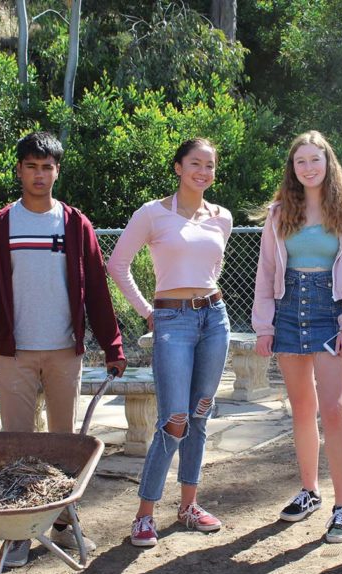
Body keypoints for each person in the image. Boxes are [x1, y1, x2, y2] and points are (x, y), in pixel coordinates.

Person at [0, 131, 127, 567]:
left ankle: (64, 527)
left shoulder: (73, 224)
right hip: (16, 353)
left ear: (57, 171)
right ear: (19, 171)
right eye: (31, 166)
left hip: (65, 351)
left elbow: (97, 292)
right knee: (18, 448)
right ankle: (19, 536)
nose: (39, 174)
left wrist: (112, 344)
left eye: (47, 167)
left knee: (65, 445)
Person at [107, 138, 233, 548]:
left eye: (210, 166)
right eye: (195, 163)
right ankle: (144, 515)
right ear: (178, 167)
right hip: (171, 322)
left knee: (200, 413)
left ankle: (188, 506)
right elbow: (117, 265)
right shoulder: (152, 213)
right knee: (173, 419)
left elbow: (211, 269)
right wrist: (149, 311)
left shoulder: (222, 217)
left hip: (214, 319)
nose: (203, 172)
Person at [252, 131, 342, 543]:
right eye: (300, 161)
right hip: (288, 315)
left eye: (315, 160)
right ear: (293, 167)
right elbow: (267, 272)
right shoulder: (278, 213)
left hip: (330, 315)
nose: (308, 167)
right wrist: (265, 325)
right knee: (302, 410)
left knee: (335, 410)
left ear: (328, 163)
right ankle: (310, 492)